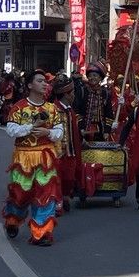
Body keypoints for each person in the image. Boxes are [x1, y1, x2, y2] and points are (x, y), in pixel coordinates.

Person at [3, 70, 63, 246]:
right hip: (24, 157)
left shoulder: (52, 109)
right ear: (30, 85)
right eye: (40, 81)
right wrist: (31, 127)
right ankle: (13, 219)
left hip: (46, 157)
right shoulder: (19, 107)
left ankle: (42, 233)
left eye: (45, 81)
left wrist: (47, 132)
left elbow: (60, 132)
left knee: (45, 194)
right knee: (20, 194)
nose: (44, 84)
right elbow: (11, 130)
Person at [53, 75, 82, 214]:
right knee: (57, 178)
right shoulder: (53, 109)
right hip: (57, 151)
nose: (74, 95)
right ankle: (57, 203)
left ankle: (65, 197)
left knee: (69, 178)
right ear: (66, 94)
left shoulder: (70, 110)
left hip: (70, 150)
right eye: (72, 93)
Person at [78, 61, 113, 141]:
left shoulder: (105, 93)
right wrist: (81, 127)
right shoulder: (82, 91)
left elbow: (109, 113)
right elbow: (77, 111)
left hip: (101, 131)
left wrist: (107, 131)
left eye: (95, 75)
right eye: (90, 76)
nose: (92, 78)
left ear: (100, 78)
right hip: (84, 130)